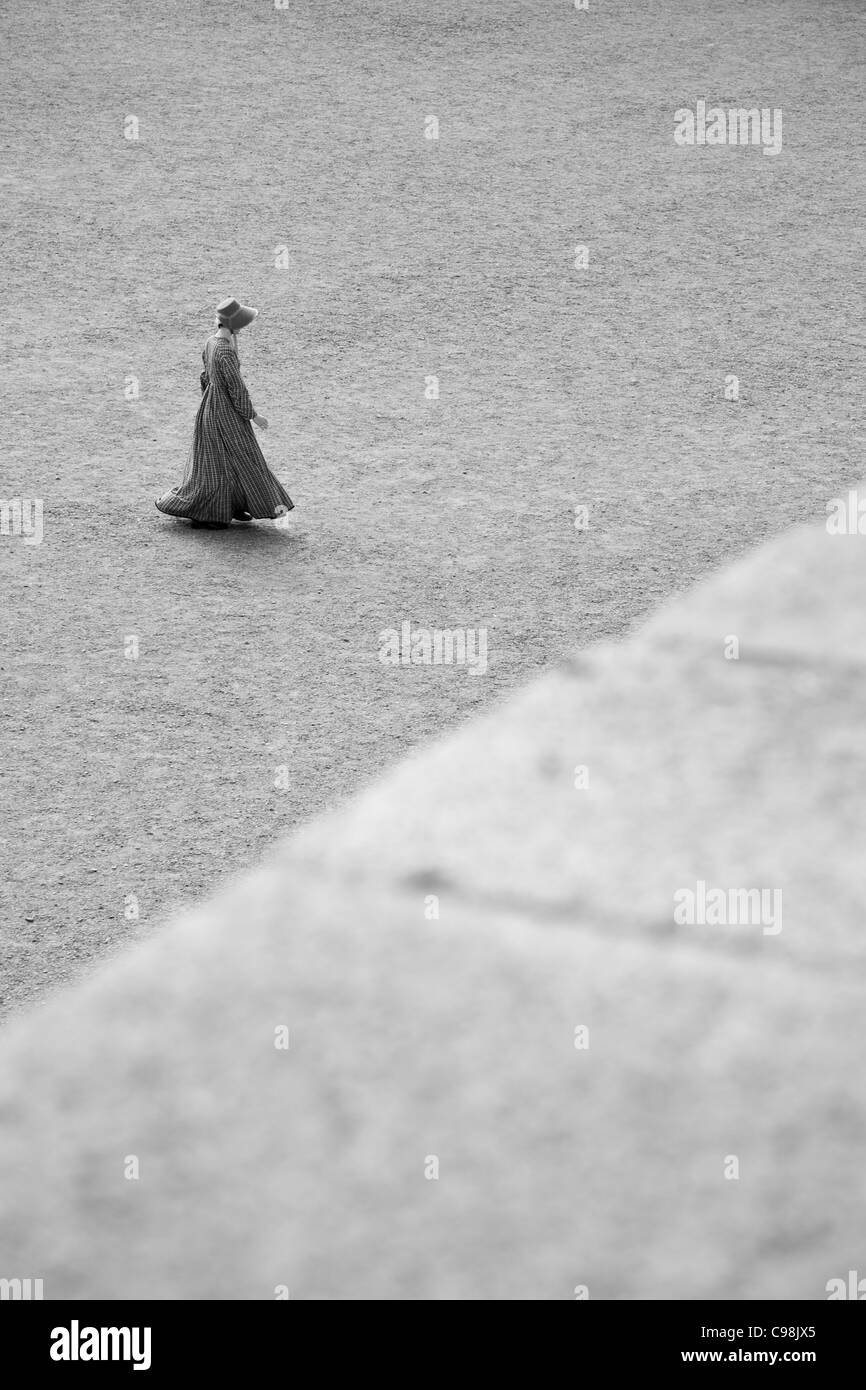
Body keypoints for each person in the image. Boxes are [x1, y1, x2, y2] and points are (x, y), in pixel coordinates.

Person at [155, 298, 294, 529]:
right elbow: (236, 388)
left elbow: (205, 376)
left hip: (209, 408)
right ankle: (210, 513)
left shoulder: (211, 343)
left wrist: (208, 401)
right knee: (240, 458)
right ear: (232, 325)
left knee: (216, 461)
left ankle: (231, 504)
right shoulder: (225, 352)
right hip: (225, 413)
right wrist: (253, 415)